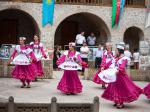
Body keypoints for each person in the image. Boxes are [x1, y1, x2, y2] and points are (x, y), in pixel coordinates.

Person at [102, 42, 142, 109]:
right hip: (115, 76)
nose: (115, 52)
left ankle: (120, 103)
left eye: (116, 51)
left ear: (120, 51)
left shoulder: (124, 58)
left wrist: (118, 70)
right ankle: (116, 100)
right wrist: (104, 66)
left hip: (121, 77)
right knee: (114, 89)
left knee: (121, 90)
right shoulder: (115, 58)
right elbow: (109, 63)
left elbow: (122, 67)